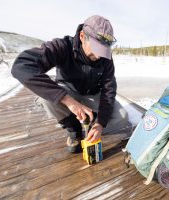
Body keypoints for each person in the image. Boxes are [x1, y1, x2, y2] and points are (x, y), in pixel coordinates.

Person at [11, 15, 128, 153]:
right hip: (68, 92)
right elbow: (21, 66)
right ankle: (74, 129)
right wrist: (68, 101)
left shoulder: (106, 58)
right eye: (96, 49)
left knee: (122, 117)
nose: (98, 56)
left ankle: (90, 125)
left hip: (92, 95)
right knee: (46, 98)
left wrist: (100, 124)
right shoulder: (62, 46)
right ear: (82, 36)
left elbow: (109, 89)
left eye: (103, 51)